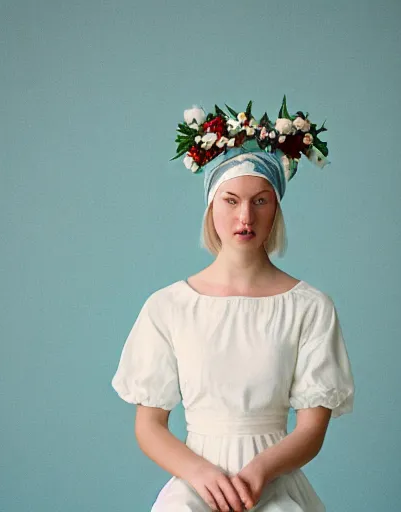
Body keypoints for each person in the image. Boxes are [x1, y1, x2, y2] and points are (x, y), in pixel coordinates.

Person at [111, 97, 355, 511]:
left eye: (260, 200)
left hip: (273, 483)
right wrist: (201, 474)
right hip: (196, 484)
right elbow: (149, 426)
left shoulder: (309, 307)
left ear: (276, 209)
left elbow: (312, 428)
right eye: (231, 200)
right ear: (211, 206)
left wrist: (258, 472)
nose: (245, 215)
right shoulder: (169, 307)